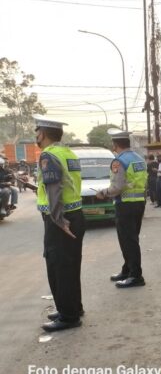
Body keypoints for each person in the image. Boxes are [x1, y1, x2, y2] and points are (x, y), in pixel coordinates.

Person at [33, 114, 86, 332]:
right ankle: (73, 307)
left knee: (59, 267)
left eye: (36, 132)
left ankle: (69, 316)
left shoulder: (49, 155)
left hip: (60, 219)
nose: (36, 136)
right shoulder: (68, 153)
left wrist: (58, 220)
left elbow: (54, 189)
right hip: (75, 214)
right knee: (71, 266)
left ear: (42, 134)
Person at [96, 129, 148, 288]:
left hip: (125, 205)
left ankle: (135, 276)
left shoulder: (119, 161)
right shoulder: (139, 159)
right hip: (139, 203)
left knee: (128, 241)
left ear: (115, 144)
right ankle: (127, 270)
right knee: (132, 239)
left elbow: (117, 187)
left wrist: (103, 193)